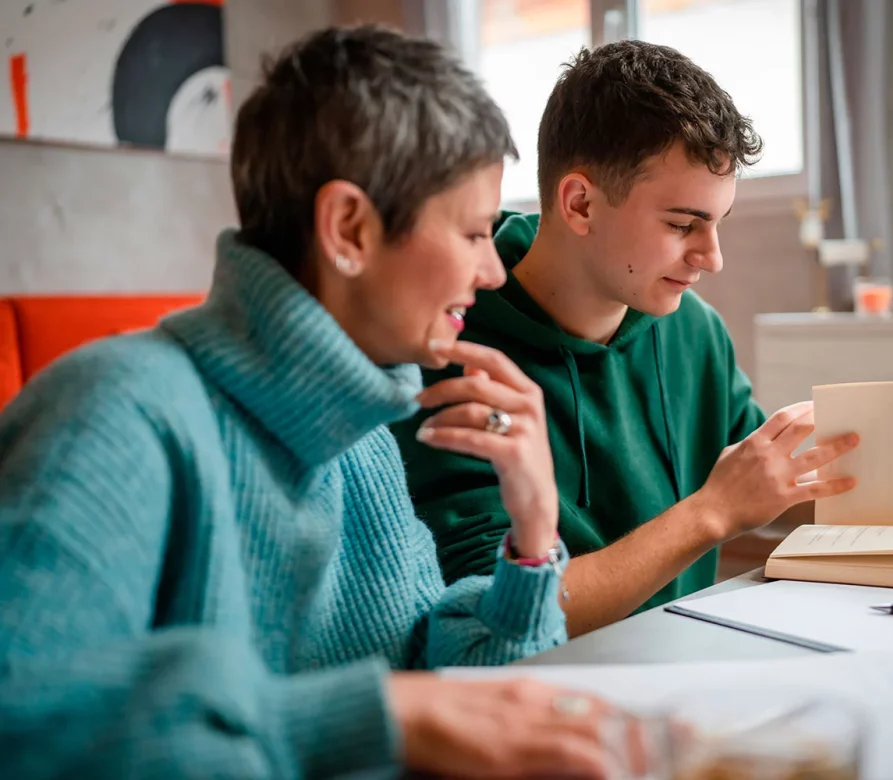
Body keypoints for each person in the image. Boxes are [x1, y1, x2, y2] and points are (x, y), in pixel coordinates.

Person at [0, 26, 617, 780]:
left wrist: (531, 539)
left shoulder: (362, 436)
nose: (492, 271)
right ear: (349, 229)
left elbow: (436, 682)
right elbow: (22, 719)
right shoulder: (112, 412)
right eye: (474, 233)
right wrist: (377, 716)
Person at [391, 39, 860, 638]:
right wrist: (709, 514)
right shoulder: (449, 349)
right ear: (581, 203)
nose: (711, 258)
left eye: (717, 224)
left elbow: (775, 480)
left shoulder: (696, 331)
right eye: (683, 224)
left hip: (688, 670)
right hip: (549, 701)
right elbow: (494, 619)